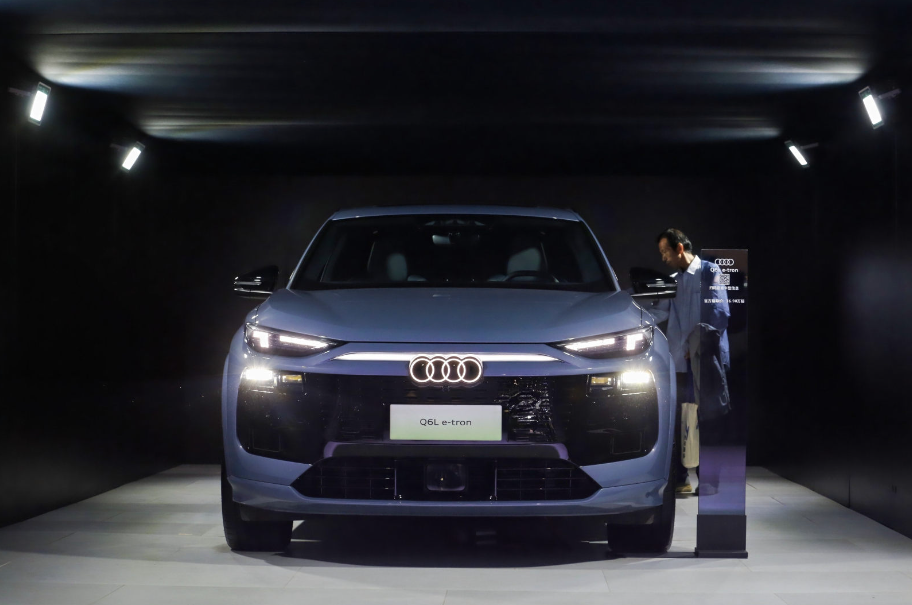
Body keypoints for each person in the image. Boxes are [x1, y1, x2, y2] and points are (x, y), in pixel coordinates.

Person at [646, 228, 730, 494]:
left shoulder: (710, 272)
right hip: (681, 363)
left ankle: (710, 482)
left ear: (679, 248)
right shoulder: (672, 280)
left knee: (709, 419)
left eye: (665, 252)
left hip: (706, 359)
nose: (663, 258)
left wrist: (696, 344)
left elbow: (720, 313)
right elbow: (660, 312)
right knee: (681, 419)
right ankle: (681, 478)